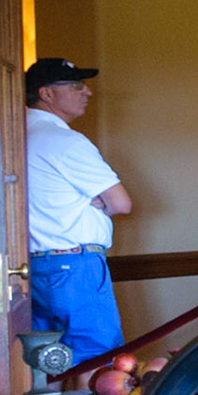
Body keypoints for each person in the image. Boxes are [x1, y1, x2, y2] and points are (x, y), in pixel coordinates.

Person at [24, 57, 130, 361]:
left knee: (45, 362)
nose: (87, 92)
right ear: (46, 94)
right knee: (95, 358)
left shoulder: (13, 140)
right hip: (76, 266)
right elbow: (121, 203)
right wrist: (95, 202)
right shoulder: (66, 141)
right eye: (75, 86)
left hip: (28, 269)